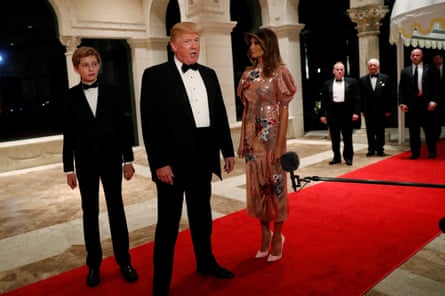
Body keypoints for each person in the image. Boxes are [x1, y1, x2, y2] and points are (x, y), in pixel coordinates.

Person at [140, 22, 236, 296]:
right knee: (168, 226)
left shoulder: (209, 74)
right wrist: (159, 162)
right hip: (171, 165)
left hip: (203, 160)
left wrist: (226, 150)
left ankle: (206, 263)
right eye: (187, 41)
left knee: (202, 218)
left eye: (196, 40)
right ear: (173, 46)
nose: (194, 46)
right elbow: (150, 124)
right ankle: (161, 285)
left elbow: (219, 114)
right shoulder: (154, 76)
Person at [62, 46, 138, 287]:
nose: (91, 69)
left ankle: (124, 261)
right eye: (85, 65)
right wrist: (68, 168)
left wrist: (128, 159)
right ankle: (93, 266)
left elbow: (123, 128)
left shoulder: (112, 91)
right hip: (84, 162)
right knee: (90, 213)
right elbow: (69, 135)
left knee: (117, 210)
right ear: (76, 68)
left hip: (111, 159)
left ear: (99, 65)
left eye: (94, 64)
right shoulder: (70, 97)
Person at [237, 28, 296, 263]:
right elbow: (246, 110)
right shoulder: (247, 75)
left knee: (276, 187)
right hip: (253, 141)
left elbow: (284, 109)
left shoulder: (280, 73)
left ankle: (279, 236)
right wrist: (243, 140)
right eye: (250, 43)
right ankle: (264, 233)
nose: (251, 47)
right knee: (257, 188)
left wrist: (281, 144)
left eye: (256, 43)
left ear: (267, 46)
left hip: (272, 138)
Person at [399, 48, 440, 159]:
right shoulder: (405, 71)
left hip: (427, 104)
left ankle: (432, 151)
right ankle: (415, 153)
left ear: (422, 56)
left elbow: (438, 87)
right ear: (410, 57)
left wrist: (434, 101)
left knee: (429, 130)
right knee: (413, 131)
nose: (415, 57)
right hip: (412, 105)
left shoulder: (430, 69)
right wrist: (402, 103)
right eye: (413, 55)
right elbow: (401, 89)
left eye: (417, 55)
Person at [319, 62, 361, 166]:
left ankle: (348, 157)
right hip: (332, 112)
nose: (339, 71)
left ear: (344, 71)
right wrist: (322, 115)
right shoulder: (327, 84)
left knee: (347, 137)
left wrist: (356, 112)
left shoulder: (352, 82)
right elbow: (323, 100)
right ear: (333, 71)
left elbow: (357, 99)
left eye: (341, 69)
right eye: (337, 69)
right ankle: (336, 157)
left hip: (347, 112)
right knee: (335, 137)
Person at [359, 58, 394, 157]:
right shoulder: (362, 80)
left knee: (380, 131)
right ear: (368, 67)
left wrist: (388, 109)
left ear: (378, 66)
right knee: (369, 130)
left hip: (381, 110)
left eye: (375, 65)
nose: (373, 67)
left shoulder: (385, 78)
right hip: (368, 110)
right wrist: (362, 110)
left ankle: (380, 149)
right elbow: (360, 96)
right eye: (371, 65)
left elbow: (389, 95)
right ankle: (371, 149)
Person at [432, 52, 445, 129]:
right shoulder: (431, 70)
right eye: (434, 59)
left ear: (441, 59)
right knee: (437, 119)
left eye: (437, 59)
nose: (435, 61)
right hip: (436, 100)